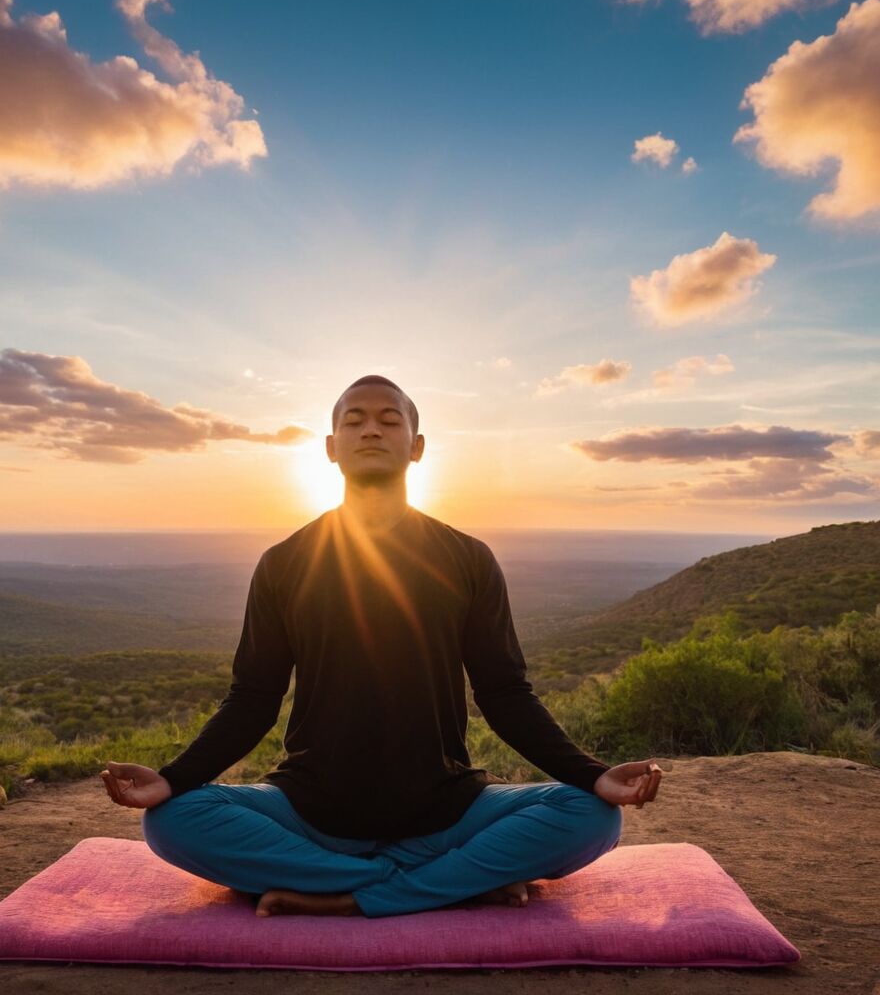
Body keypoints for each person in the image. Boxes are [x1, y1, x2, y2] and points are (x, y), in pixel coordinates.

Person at [102, 375, 662, 918]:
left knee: (592, 815)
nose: (371, 430)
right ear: (330, 447)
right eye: (355, 420)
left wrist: (591, 774)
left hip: (447, 811)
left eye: (389, 420)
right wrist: (173, 778)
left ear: (416, 447)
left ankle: (342, 892)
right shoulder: (284, 563)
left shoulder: (467, 559)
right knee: (173, 820)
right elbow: (252, 698)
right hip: (308, 810)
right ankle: (445, 885)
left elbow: (505, 694)